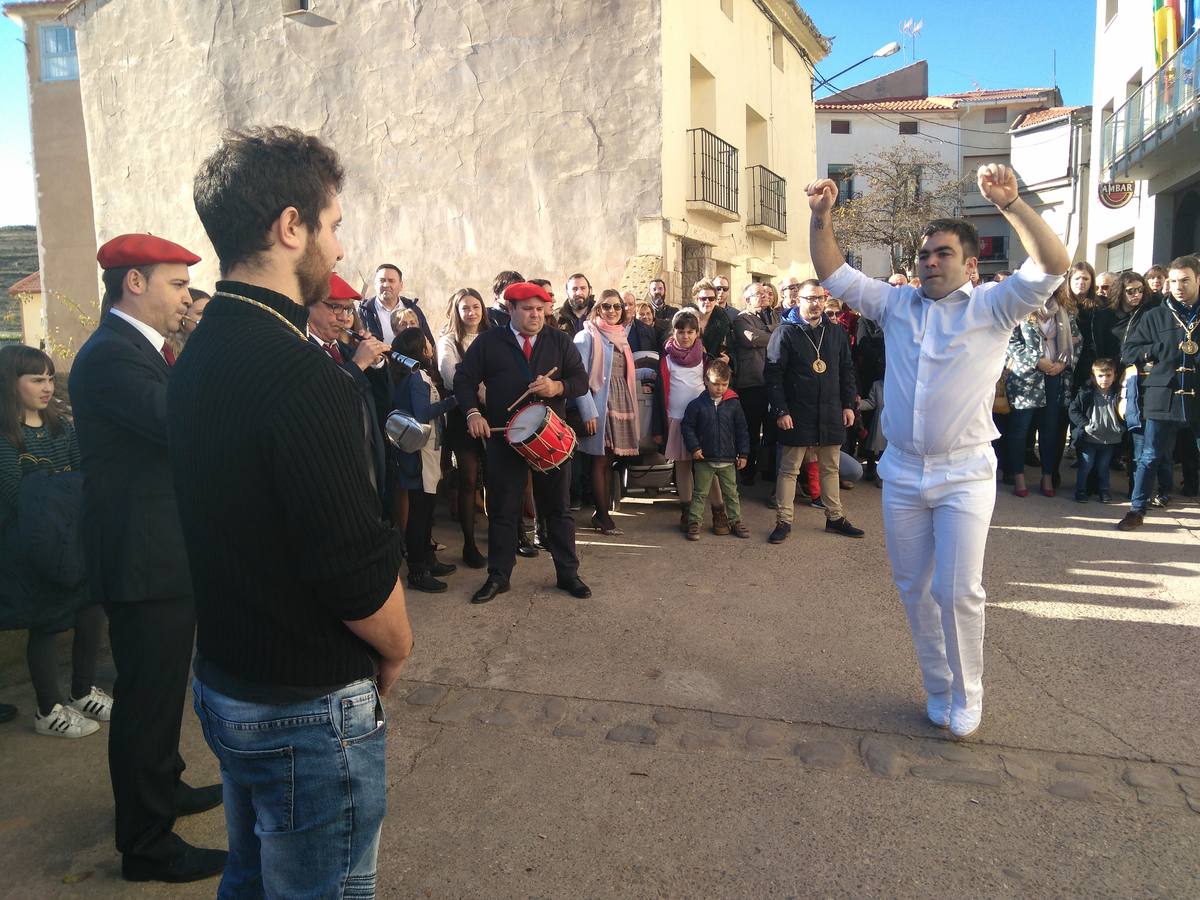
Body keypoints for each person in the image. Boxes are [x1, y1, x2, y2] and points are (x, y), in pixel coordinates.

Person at [175, 126, 413, 896]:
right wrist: (398, 646)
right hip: (303, 707)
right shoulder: (305, 376)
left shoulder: (199, 350)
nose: (339, 248)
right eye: (333, 225)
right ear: (291, 227)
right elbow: (351, 567)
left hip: (226, 681)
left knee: (249, 880)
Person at [806, 163, 1070, 739]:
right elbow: (833, 273)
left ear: (971, 265)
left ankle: (968, 694)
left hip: (965, 472)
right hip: (902, 471)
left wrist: (1011, 206)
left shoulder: (995, 306)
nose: (930, 261)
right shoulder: (896, 304)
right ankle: (938, 686)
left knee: (957, 591)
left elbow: (1053, 264)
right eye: (925, 254)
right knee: (914, 590)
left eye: (943, 253)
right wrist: (822, 217)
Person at [68, 233, 226, 883]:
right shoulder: (111, 355)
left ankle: (165, 787)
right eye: (177, 285)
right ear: (134, 283)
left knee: (160, 692)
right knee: (146, 701)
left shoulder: (139, 349)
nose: (187, 299)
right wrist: (212, 349)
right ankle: (146, 845)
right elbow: (176, 421)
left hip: (162, 552)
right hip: (143, 557)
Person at [454, 281, 591, 603]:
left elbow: (580, 381)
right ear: (510, 309)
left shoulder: (559, 340)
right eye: (528, 309)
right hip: (505, 438)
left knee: (558, 509)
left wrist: (557, 388)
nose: (536, 315)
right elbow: (463, 379)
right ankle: (499, 576)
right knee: (503, 509)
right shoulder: (489, 342)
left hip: (549, 437)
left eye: (540, 309)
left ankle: (568, 574)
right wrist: (472, 413)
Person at [0, 345, 109, 738]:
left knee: (91, 609)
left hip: (72, 539)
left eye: (49, 378)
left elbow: (83, 476)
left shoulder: (61, 427)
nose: (47, 387)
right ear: (11, 384)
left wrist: (54, 491)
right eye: (36, 379)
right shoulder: (5, 438)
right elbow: (17, 496)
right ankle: (48, 710)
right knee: (45, 622)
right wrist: (63, 490)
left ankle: (82, 691)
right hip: (30, 549)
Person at [764, 279, 862, 543]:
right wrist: (781, 410)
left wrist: (848, 405)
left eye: (820, 298)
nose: (816, 303)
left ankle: (835, 518)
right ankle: (784, 521)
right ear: (798, 300)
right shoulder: (785, 333)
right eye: (810, 298)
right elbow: (773, 375)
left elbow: (846, 371)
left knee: (831, 468)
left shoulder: (836, 332)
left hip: (830, 410)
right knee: (789, 470)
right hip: (796, 412)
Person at [1118, 255, 1200, 530]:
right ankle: (1136, 509)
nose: (1178, 287)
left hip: (1197, 393)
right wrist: (1155, 350)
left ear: (1198, 280)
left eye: (1185, 280)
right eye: (1173, 281)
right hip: (1163, 394)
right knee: (1150, 455)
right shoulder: (1155, 315)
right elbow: (1128, 351)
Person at [307, 273, 391, 501]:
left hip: (365, 463)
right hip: (334, 472)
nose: (344, 318)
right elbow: (326, 399)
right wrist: (358, 364)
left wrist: (376, 363)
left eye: (347, 309)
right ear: (309, 305)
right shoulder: (302, 351)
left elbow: (383, 402)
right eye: (336, 307)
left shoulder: (346, 351)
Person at [391, 328, 458, 592]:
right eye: (426, 342)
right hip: (420, 453)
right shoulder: (416, 376)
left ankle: (428, 559)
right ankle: (418, 570)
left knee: (426, 510)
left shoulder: (412, 374)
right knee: (420, 513)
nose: (430, 344)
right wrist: (453, 401)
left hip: (425, 451)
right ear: (420, 348)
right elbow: (422, 414)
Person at [574, 289, 641, 536]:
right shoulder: (586, 335)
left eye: (617, 306)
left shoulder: (620, 334)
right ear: (598, 309)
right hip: (599, 405)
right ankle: (602, 516)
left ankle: (600, 513)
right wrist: (587, 411)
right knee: (599, 460)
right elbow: (578, 378)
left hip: (620, 400)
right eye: (606, 306)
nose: (612, 311)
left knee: (609, 459)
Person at [1003, 286, 1080, 498]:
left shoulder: (1065, 310)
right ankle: (1018, 475)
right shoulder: (1020, 309)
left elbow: (1077, 340)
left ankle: (1047, 476)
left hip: (1056, 375)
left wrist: (1063, 364)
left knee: (1050, 429)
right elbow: (1010, 342)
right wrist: (1036, 360)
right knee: (1020, 428)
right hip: (1026, 378)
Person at [437, 288, 490, 568]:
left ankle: (509, 534)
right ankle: (469, 545)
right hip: (462, 414)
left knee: (498, 477)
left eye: (475, 306)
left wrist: (488, 387)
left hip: (493, 412)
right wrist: (479, 386)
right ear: (457, 312)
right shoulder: (448, 340)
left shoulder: (494, 337)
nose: (471, 312)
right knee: (468, 479)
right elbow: (450, 374)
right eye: (465, 308)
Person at [681, 360, 749, 540]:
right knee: (700, 493)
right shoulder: (696, 405)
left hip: (728, 459)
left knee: (732, 493)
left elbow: (742, 429)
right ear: (706, 381)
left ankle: (736, 521)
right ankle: (694, 523)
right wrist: (694, 448)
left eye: (724, 384)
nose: (720, 388)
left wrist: (743, 454)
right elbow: (687, 427)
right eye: (716, 384)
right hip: (704, 458)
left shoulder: (734, 404)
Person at [731, 283, 779, 486]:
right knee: (751, 430)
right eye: (758, 293)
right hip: (752, 383)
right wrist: (775, 333)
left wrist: (767, 330)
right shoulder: (741, 319)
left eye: (766, 293)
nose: (764, 296)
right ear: (747, 299)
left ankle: (767, 470)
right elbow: (751, 338)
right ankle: (747, 471)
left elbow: (783, 334)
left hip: (773, 382)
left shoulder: (775, 316)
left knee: (771, 429)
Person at [1068, 358, 1123, 503]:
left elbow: (1124, 413)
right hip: (1090, 439)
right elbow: (1073, 410)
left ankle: (1104, 491)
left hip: (1110, 439)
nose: (1104, 379)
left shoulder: (1118, 394)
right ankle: (1081, 491)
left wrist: (1121, 427)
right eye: (1100, 375)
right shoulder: (1085, 393)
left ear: (1114, 376)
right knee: (1086, 465)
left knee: (1103, 467)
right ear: (1093, 377)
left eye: (1108, 375)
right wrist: (1085, 425)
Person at [360, 263, 434, 348]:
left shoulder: (413, 309)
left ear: (401, 286)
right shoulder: (364, 311)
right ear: (375, 284)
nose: (386, 285)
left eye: (391, 281)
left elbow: (430, 342)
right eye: (382, 280)